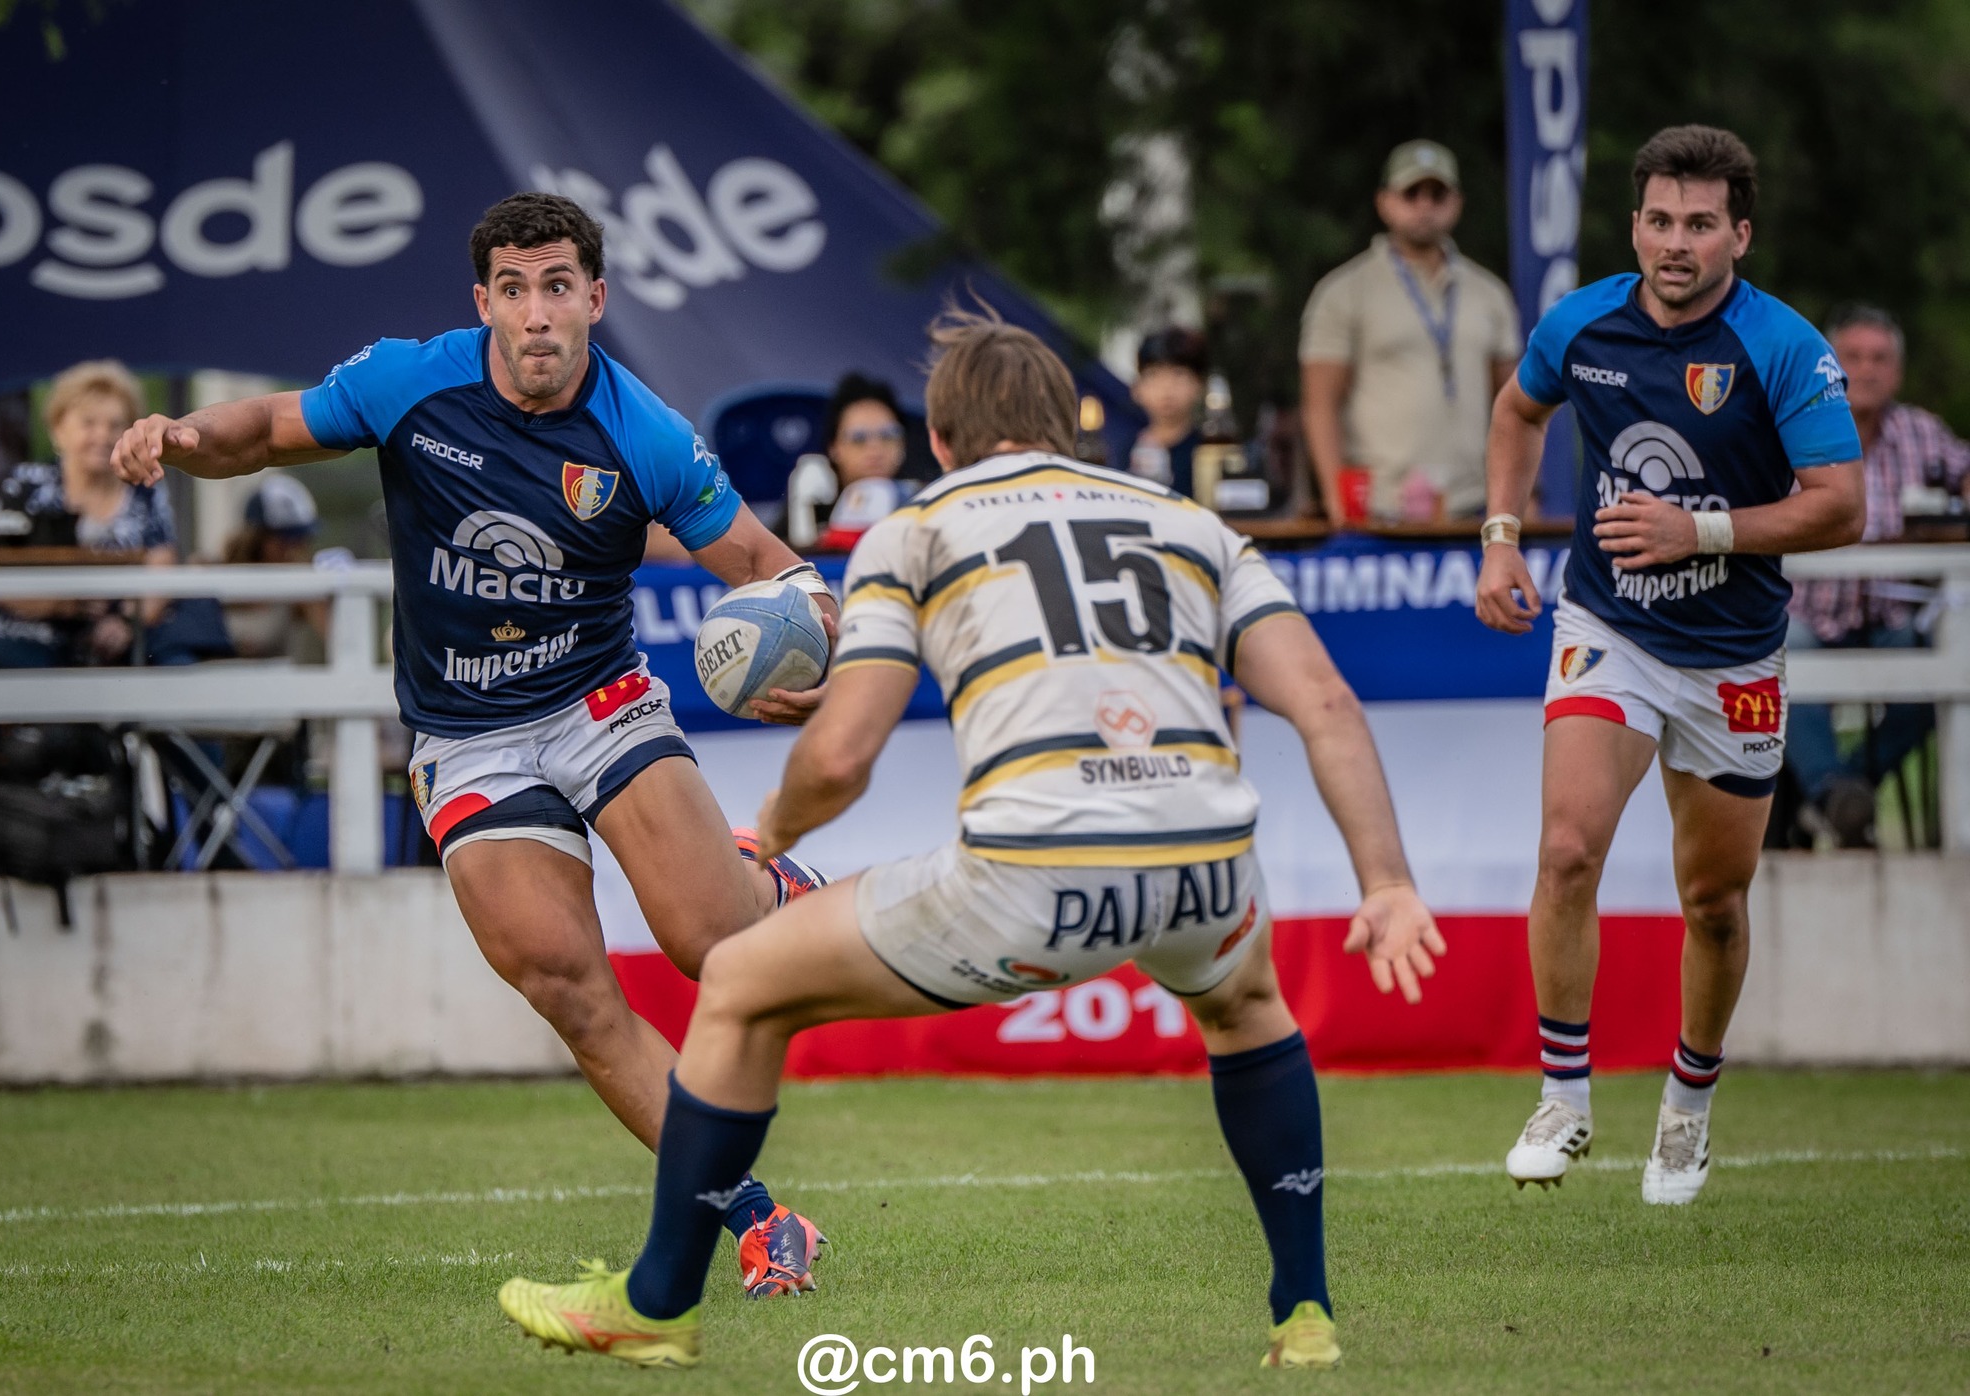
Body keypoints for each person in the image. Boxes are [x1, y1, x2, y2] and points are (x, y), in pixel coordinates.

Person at [495, 308, 1447, 1372]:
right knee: (1246, 1006)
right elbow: (1322, 701)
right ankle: (1303, 1310)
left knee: (737, 982)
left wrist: (770, 833)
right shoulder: (1184, 518)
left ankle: (656, 1301)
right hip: (1203, 862)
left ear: (940, 439)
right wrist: (1388, 880)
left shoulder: (923, 522)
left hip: (1035, 871)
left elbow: (845, 753)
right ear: (1069, 430)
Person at [109, 192, 837, 1295]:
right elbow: (260, 431)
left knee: (714, 950)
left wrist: (813, 632)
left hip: (600, 704)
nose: (537, 314)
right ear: (483, 302)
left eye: (558, 288)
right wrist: (180, 438)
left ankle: (756, 883)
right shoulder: (413, 381)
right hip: (466, 738)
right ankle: (759, 1217)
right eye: (514, 289)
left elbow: (762, 563)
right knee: (568, 986)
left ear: (595, 298)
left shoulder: (641, 431)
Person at [1474, 125, 1863, 1205]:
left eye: (1698, 223)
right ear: (1633, 224)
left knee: (1714, 902)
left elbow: (1840, 505)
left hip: (1732, 654)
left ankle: (1686, 1107)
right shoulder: (1582, 321)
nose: (1674, 242)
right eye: (1657, 220)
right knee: (1563, 852)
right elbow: (1517, 407)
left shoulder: (1780, 346)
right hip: (1611, 631)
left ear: (1738, 231)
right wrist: (1500, 532)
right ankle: (1562, 1096)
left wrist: (1704, 533)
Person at [1784, 304, 1970, 846]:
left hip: (1893, 611)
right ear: (1829, 365)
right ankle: (1835, 796)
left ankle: (1834, 798)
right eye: (1853, 357)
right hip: (1807, 612)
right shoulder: (1792, 426)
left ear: (1898, 371)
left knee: (1951, 660)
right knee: (1773, 657)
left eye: (1879, 359)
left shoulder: (1921, 432)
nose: (1865, 370)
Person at [1300, 140, 1521, 526]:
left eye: (1438, 194)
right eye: (1411, 193)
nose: (1424, 205)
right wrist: (1338, 503)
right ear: (1384, 202)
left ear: (1457, 203)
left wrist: (1521, 496)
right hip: (1381, 510)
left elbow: (1516, 403)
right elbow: (1321, 405)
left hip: (1475, 507)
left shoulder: (1490, 293)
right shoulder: (1344, 291)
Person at [0, 360, 177, 668]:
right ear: (58, 429)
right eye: (88, 423)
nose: (103, 435)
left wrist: (124, 623)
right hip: (28, 638)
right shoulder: (27, 485)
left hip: (118, 643)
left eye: (115, 425)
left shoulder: (146, 490)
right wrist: (59, 604)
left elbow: (162, 567)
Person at [220, 474, 334, 663]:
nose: (296, 549)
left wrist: (310, 589)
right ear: (258, 539)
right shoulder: (215, 576)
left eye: (301, 540)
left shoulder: (300, 587)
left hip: (277, 687)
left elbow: (339, 642)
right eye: (286, 540)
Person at [811, 372, 917, 551]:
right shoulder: (807, 509)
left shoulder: (923, 501)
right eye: (859, 438)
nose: (875, 449)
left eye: (888, 435)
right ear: (834, 447)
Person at [1125, 326, 1208, 497]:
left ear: (1200, 385)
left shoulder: (1208, 454)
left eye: (1178, 374)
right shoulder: (1121, 453)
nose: (1166, 388)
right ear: (1137, 388)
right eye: (1154, 375)